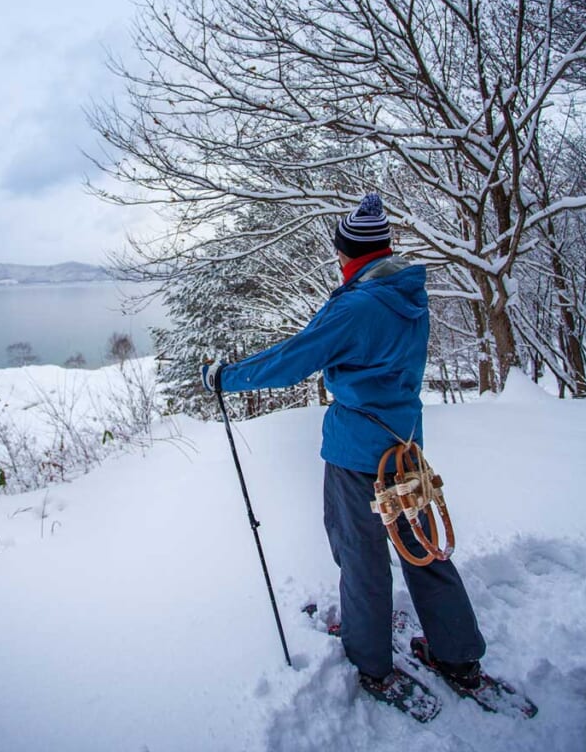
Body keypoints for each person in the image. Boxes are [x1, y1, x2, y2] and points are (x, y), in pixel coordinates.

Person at [201, 193, 485, 708]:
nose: (337, 261)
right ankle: (458, 654)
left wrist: (226, 377)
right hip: (405, 449)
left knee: (361, 557)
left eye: (340, 253)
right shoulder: (408, 294)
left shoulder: (355, 306)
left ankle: (372, 661)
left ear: (350, 253)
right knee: (420, 549)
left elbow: (293, 359)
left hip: (357, 456)